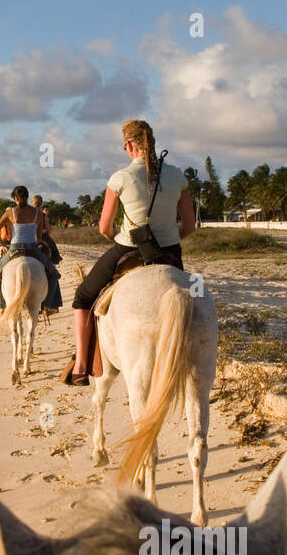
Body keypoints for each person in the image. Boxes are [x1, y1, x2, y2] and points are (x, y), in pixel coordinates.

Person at [64, 120, 195, 386]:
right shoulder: (177, 176)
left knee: (82, 297)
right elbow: (190, 226)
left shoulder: (120, 178)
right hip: (170, 253)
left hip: (129, 248)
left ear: (130, 145)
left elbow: (104, 227)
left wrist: (120, 238)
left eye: (125, 146)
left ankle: (80, 365)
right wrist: (167, 239)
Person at [0, 186, 62, 312]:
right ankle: (49, 305)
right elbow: (39, 237)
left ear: (15, 198)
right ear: (27, 197)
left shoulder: (10, 212)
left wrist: (3, 245)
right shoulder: (38, 213)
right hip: (33, 249)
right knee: (54, 274)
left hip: (14, 249)